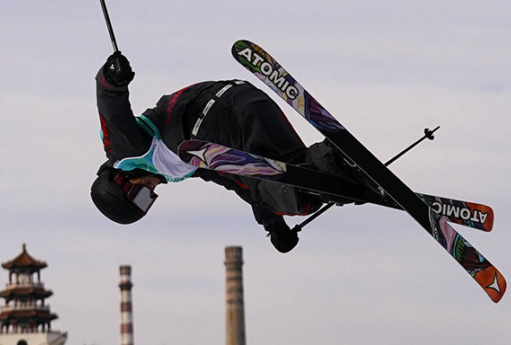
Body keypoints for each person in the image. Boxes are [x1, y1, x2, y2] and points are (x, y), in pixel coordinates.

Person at [91, 52, 350, 253]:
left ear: (119, 182)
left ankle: (330, 166)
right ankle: (343, 169)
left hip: (214, 116)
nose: (150, 192)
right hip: (248, 102)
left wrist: (111, 79)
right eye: (148, 202)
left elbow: (113, 114)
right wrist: (273, 224)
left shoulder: (127, 154)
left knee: (283, 192)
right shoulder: (179, 167)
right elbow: (234, 181)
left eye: (139, 195)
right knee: (299, 176)